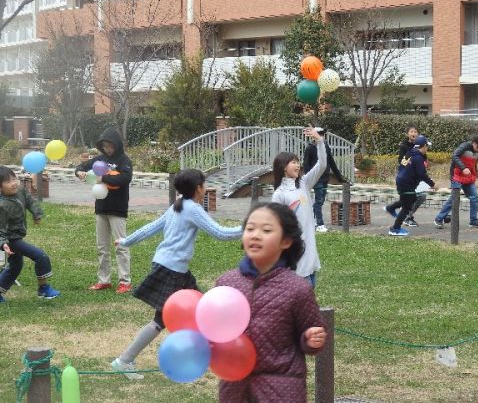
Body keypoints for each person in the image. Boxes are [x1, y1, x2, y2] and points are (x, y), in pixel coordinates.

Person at [110, 169, 242, 379]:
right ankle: (124, 360)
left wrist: (127, 241)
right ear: (198, 188)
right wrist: (249, 227)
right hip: (171, 270)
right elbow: (220, 233)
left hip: (174, 269)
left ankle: (208, 354)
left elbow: (151, 228)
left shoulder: (178, 206)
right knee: (161, 320)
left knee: (202, 310)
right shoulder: (192, 209)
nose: (205, 188)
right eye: (204, 185)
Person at [217, 202, 327, 403]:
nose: (256, 235)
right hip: (234, 388)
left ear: (285, 241)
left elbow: (312, 331)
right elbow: (214, 331)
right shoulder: (225, 284)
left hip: (281, 389)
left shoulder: (297, 289)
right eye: (250, 229)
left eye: (266, 230)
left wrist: (310, 339)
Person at [75, 127, 133, 293]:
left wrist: (104, 177)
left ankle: (125, 281)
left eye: (110, 146)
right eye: (105, 146)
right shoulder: (99, 159)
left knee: (121, 245)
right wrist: (79, 172)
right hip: (101, 208)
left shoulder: (124, 160)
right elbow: (81, 166)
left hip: (118, 209)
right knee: (102, 247)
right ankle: (104, 280)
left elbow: (125, 178)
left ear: (116, 144)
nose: (108, 149)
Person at [271, 127, 326, 288]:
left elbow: (322, 165)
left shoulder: (303, 183)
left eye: (297, 161)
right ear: (283, 167)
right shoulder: (279, 195)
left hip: (310, 257)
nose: (298, 165)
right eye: (293, 162)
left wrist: (320, 141)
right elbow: (275, 227)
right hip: (295, 261)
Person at [0, 166, 60, 302]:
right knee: (40, 256)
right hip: (11, 240)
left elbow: (30, 201)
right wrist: (3, 243)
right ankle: (43, 289)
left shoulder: (20, 191)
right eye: (8, 181)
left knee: (15, 266)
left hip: (17, 236)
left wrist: (36, 214)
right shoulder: (2, 205)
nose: (14, 183)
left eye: (14, 179)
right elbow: (0, 228)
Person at [434, 134, 478, 229]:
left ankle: (473, 221)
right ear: (475, 144)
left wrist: (475, 174)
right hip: (456, 176)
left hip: (468, 178)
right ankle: (438, 219)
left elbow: (473, 164)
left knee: (474, 197)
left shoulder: (477, 153)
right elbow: (454, 156)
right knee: (454, 198)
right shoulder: (464, 146)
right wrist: (463, 168)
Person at [389, 135, 436, 236]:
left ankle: (391, 208)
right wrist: (432, 184)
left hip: (400, 181)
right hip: (407, 184)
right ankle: (395, 229)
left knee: (412, 198)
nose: (427, 149)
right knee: (407, 207)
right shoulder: (418, 158)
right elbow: (421, 174)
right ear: (423, 146)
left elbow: (403, 166)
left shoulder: (409, 153)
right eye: (427, 146)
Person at [302, 127, 345, 233]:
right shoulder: (310, 148)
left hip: (325, 177)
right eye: (319, 133)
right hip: (316, 178)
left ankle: (313, 220)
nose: (322, 135)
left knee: (319, 201)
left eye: (322, 133)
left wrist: (339, 176)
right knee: (319, 201)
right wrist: (308, 178)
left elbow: (331, 161)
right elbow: (306, 164)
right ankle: (319, 224)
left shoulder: (325, 146)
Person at [384, 125, 420, 224]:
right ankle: (405, 218)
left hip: (415, 176)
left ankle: (393, 209)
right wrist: (407, 162)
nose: (413, 133)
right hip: (405, 176)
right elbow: (400, 160)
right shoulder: (403, 145)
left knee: (413, 198)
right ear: (407, 134)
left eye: (415, 132)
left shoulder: (419, 145)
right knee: (411, 198)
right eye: (411, 132)